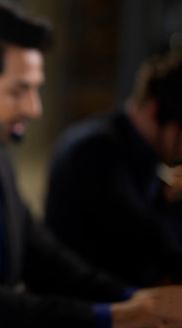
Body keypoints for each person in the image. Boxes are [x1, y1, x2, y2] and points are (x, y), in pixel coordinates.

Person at [0, 3, 182, 328]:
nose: (34, 108)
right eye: (19, 90)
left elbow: (42, 255)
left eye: (36, 89)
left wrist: (137, 300)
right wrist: (116, 316)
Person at [45, 53, 182, 286]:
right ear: (153, 111)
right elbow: (152, 244)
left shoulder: (129, 147)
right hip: (87, 306)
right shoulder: (95, 151)